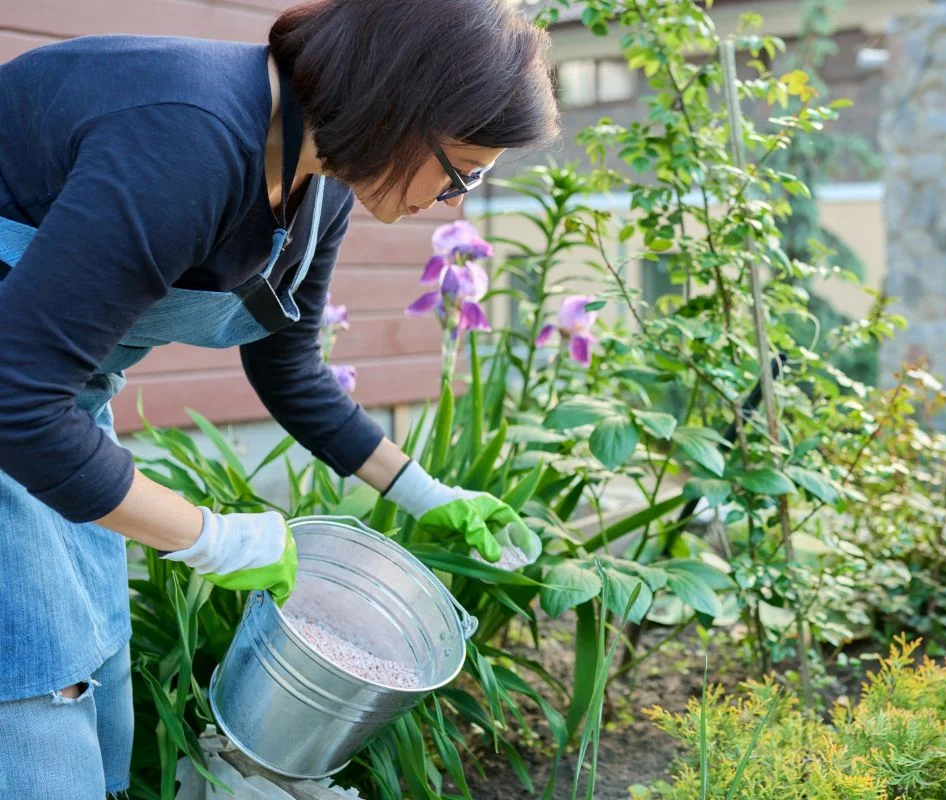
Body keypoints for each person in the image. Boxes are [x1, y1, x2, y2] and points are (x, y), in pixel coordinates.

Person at [0, 0, 559, 796]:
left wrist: (422, 490)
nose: (456, 202)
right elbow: (16, 403)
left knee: (95, 655)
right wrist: (210, 538)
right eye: (461, 171)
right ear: (400, 107)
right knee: (36, 681)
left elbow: (289, 367)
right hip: (18, 402)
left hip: (49, 400)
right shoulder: (188, 138)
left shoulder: (319, 178)